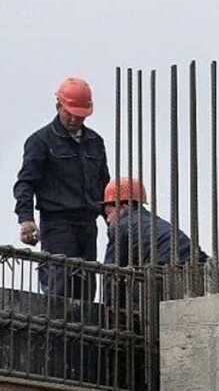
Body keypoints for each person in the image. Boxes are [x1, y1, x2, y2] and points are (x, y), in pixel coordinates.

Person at [13, 77, 110, 300]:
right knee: (60, 288)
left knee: (85, 290)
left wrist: (111, 219)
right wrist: (26, 219)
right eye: (70, 113)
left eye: (80, 115)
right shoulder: (40, 141)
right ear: (59, 106)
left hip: (87, 224)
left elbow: (103, 184)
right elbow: (26, 182)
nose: (75, 119)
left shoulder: (95, 142)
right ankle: (57, 334)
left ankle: (83, 334)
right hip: (58, 225)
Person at [102, 177, 207, 266]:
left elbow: (112, 273)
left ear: (124, 207)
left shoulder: (122, 226)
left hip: (167, 267)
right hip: (198, 263)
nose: (107, 220)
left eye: (109, 213)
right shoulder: (152, 221)